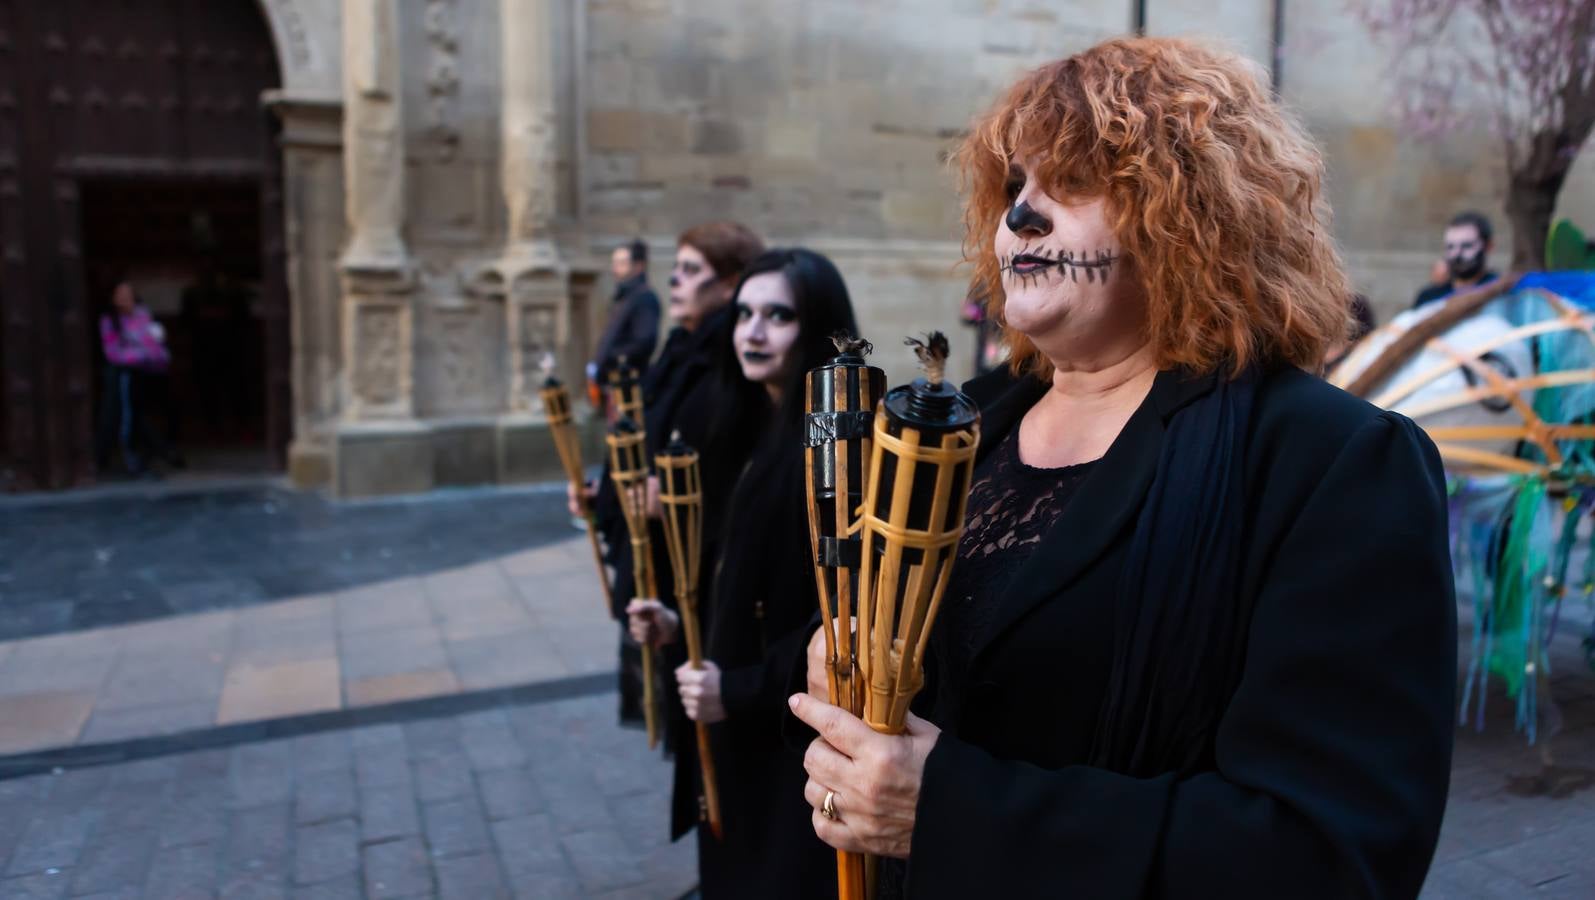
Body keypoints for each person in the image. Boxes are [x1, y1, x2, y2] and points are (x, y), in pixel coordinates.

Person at [789, 37, 1456, 898]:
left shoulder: (1331, 461)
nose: (1021, 217)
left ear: (1190, 213)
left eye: (1070, 182)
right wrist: (842, 666)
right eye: (1014, 187)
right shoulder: (968, 430)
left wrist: (952, 808)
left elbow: (1330, 853)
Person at [629, 248, 857, 899]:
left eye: (777, 316)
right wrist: (680, 625)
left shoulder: (832, 444)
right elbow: (738, 578)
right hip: (732, 729)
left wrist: (742, 687)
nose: (752, 332)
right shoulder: (748, 420)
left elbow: (839, 619)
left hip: (786, 742)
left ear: (813, 326)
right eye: (745, 314)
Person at [571, 222, 765, 727]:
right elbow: (648, 435)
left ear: (729, 283)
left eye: (690, 270)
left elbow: (737, 463)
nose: (675, 281)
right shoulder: (680, 346)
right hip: (653, 548)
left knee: (692, 710)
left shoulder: (735, 361)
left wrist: (679, 498)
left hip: (695, 561)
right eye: (675, 268)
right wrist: (605, 494)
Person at [94, 281, 174, 477]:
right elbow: (113, 353)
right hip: (124, 376)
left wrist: (148, 354)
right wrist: (142, 354)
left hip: (147, 375)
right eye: (120, 294)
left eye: (128, 294)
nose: (125, 299)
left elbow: (157, 348)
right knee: (125, 419)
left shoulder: (142, 316)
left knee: (143, 417)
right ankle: (132, 461)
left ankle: (157, 456)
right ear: (113, 298)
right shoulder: (109, 321)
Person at [589, 238, 662, 414]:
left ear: (638, 266)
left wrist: (611, 358)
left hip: (629, 386)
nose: (615, 269)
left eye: (622, 263)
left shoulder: (644, 298)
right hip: (615, 384)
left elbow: (644, 342)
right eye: (615, 263)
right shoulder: (625, 298)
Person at [1412, 211, 1500, 308]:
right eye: (1450, 247)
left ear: (1488, 247)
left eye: (1467, 246)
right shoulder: (1429, 298)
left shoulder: (1501, 291)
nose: (1457, 254)